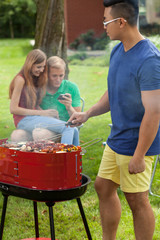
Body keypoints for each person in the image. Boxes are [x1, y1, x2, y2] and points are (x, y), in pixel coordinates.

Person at [68, 0, 160, 239]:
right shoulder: (118, 50)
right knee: (103, 186)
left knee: (137, 200)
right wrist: (87, 113)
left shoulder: (150, 60)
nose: (103, 26)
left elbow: (154, 112)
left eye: (105, 20)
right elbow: (113, 92)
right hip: (117, 137)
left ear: (121, 22)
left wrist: (140, 155)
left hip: (137, 142)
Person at [10, 54, 81, 145]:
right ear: (46, 74)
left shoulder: (71, 87)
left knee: (69, 128)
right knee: (17, 135)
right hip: (35, 122)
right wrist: (44, 113)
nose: (58, 79)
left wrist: (69, 107)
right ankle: (68, 156)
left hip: (52, 127)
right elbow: (22, 108)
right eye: (54, 76)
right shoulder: (38, 85)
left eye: (61, 75)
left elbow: (77, 121)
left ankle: (69, 157)